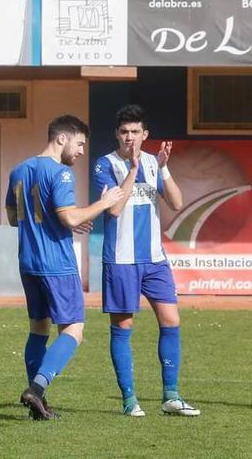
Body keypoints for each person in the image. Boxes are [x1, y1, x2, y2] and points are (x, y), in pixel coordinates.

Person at [5, 115, 124, 420]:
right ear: (62, 138)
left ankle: (37, 405)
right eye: (80, 143)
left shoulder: (18, 171)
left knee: (38, 329)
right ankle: (37, 388)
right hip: (56, 264)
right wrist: (104, 202)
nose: (82, 151)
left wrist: (65, 221)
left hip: (28, 263)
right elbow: (69, 217)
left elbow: (12, 216)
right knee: (74, 329)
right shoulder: (61, 174)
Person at [94, 104, 199, 417]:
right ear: (117, 134)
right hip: (121, 261)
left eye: (135, 132)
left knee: (171, 321)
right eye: (125, 132)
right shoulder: (105, 164)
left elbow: (177, 203)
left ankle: (171, 397)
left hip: (154, 260)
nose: (130, 137)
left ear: (145, 134)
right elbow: (112, 210)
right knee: (123, 327)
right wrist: (132, 171)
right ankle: (129, 401)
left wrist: (164, 168)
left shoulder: (154, 162)